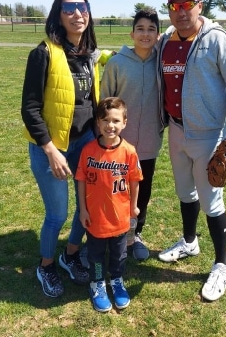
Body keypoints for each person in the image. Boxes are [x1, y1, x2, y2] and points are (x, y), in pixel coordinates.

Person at [156, 0, 226, 301]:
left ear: (200, 6)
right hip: (176, 130)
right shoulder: (166, 41)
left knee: (211, 201)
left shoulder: (219, 38)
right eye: (174, 6)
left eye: (187, 4)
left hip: (209, 134)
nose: (181, 12)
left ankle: (222, 263)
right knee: (185, 192)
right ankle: (189, 241)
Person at [21, 0, 113, 298]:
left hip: (85, 142)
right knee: (57, 213)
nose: (77, 13)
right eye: (69, 8)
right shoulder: (43, 53)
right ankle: (46, 265)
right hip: (52, 147)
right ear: (58, 16)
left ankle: (70, 254)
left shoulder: (90, 53)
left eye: (82, 6)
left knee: (86, 205)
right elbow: (29, 108)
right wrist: (50, 150)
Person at [100, 9, 163, 261]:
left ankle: (134, 235)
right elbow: (104, 102)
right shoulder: (117, 63)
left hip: (149, 140)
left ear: (158, 35)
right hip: (117, 143)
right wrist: (105, 136)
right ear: (132, 33)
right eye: (140, 28)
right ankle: (106, 234)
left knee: (141, 191)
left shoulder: (162, 61)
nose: (145, 34)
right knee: (113, 189)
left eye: (151, 29)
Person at [76, 97, 143, 312]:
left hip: (120, 218)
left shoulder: (129, 152)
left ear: (124, 122)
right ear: (97, 122)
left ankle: (116, 280)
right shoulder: (88, 151)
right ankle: (97, 283)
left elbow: (134, 182)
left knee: (119, 254)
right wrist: (83, 210)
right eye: (105, 120)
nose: (110, 126)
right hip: (95, 218)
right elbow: (81, 180)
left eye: (115, 120)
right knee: (95, 255)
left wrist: (134, 207)